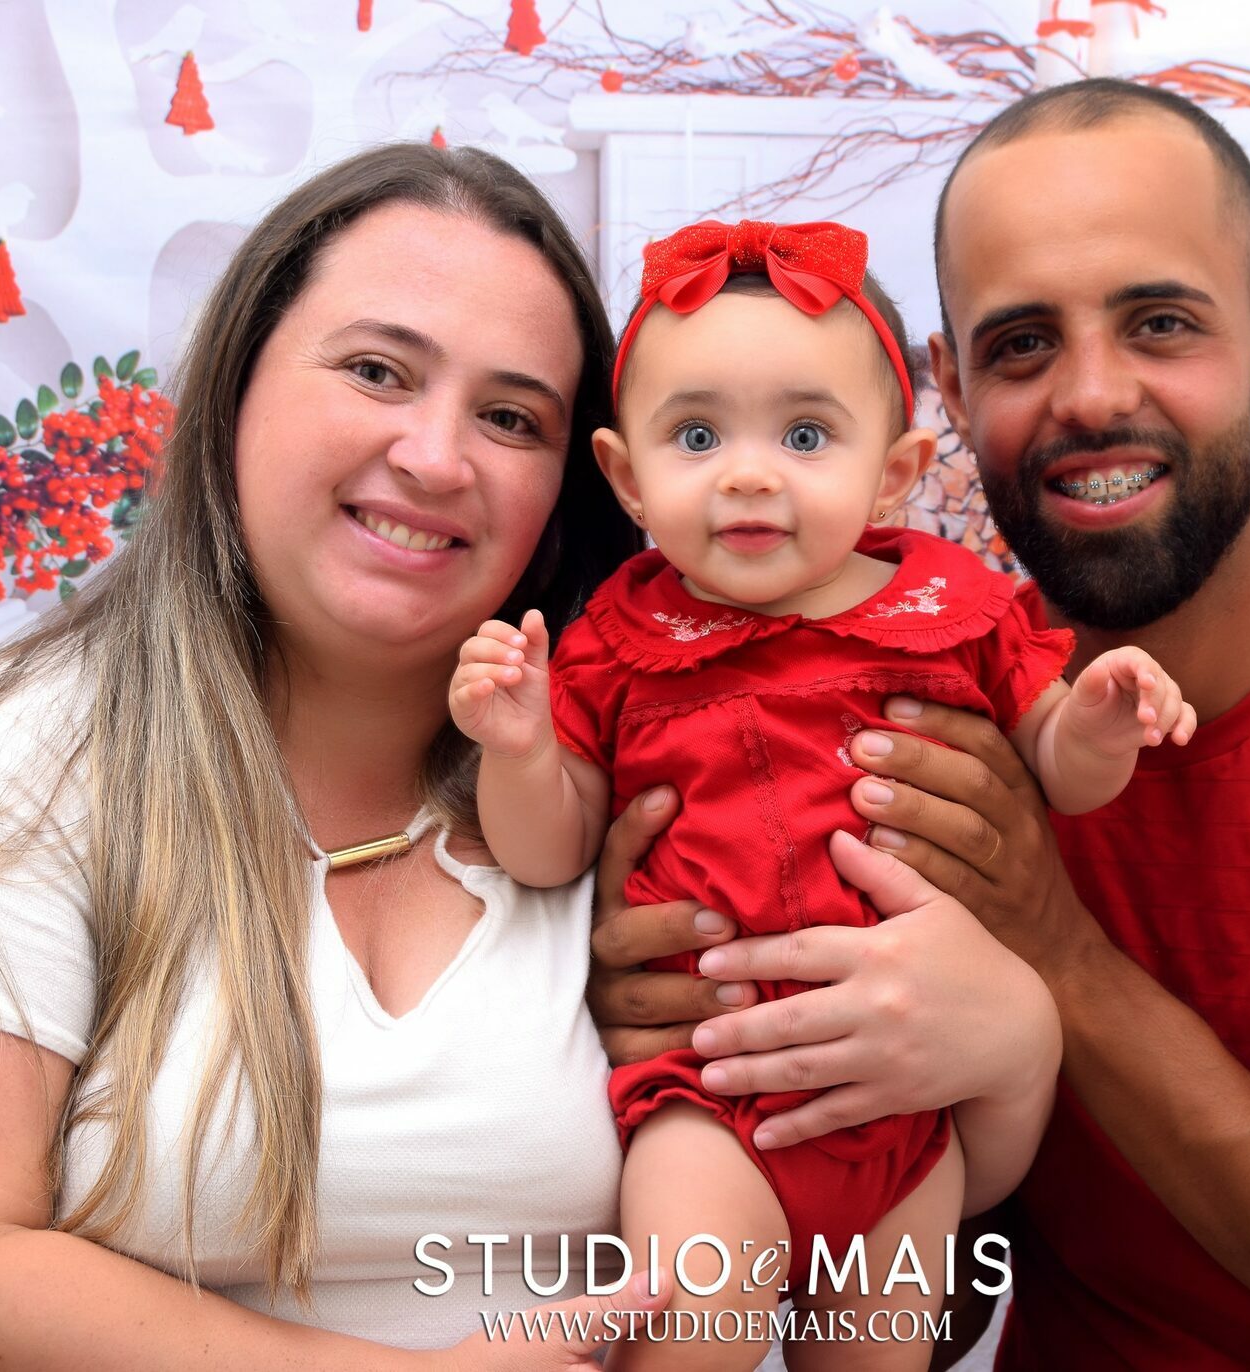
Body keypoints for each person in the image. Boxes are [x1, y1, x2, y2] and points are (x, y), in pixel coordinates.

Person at [588, 79, 1250, 1369]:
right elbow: (930, 1314)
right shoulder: (917, 717)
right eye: (1022, 345)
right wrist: (727, 1052)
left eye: (1161, 323)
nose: (1092, 396)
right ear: (950, 393)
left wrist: (1056, 956)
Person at [0, 143, 682, 1370]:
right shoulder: (5, 762)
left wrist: (939, 1028)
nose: (436, 457)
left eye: (512, 417)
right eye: (377, 370)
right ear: (235, 388)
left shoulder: (622, 771)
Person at [451, 218, 1185, 1368]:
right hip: (710, 1096)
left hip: (908, 1108)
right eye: (698, 435)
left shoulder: (953, 612)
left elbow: (1062, 772)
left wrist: (1097, 719)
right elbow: (549, 851)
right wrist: (517, 750)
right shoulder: (618, 643)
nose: (749, 473)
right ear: (628, 476)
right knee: (694, 1326)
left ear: (894, 473)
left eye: (805, 434)